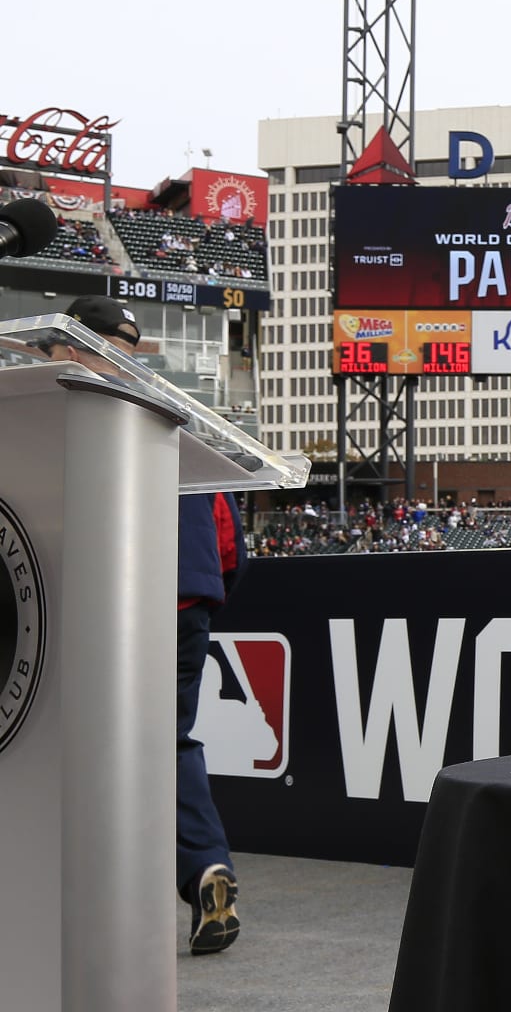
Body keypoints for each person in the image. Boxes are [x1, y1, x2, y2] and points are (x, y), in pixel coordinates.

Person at [62, 296, 246, 955]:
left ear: (69, 344)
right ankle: (205, 868)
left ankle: (76, 897)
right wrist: (200, 599)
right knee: (166, 744)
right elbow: (231, 546)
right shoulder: (178, 414)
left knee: (72, 745)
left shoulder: (63, 408)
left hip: (96, 609)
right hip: (183, 607)